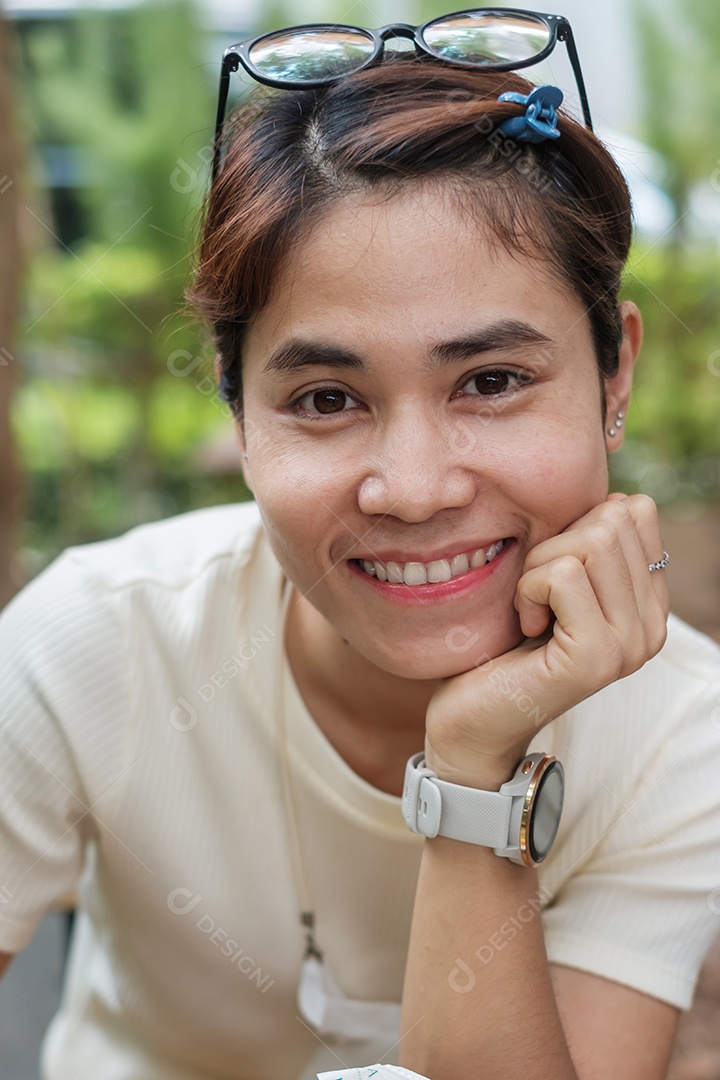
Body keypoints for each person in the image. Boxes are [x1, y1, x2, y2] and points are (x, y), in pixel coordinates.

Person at [1, 10, 719, 1080]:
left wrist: (476, 762)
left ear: (614, 374)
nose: (416, 490)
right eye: (328, 398)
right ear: (239, 410)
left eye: (491, 381)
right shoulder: (97, 644)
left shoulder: (679, 730)